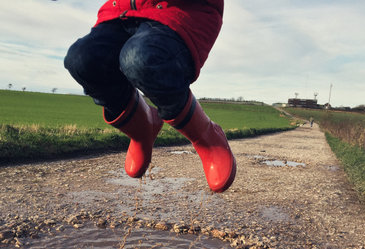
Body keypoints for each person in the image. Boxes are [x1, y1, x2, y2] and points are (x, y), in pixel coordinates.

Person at [64, 1, 236, 193]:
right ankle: (141, 127)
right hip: (122, 11)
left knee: (141, 58)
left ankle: (206, 136)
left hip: (181, 11)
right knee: (82, 60)